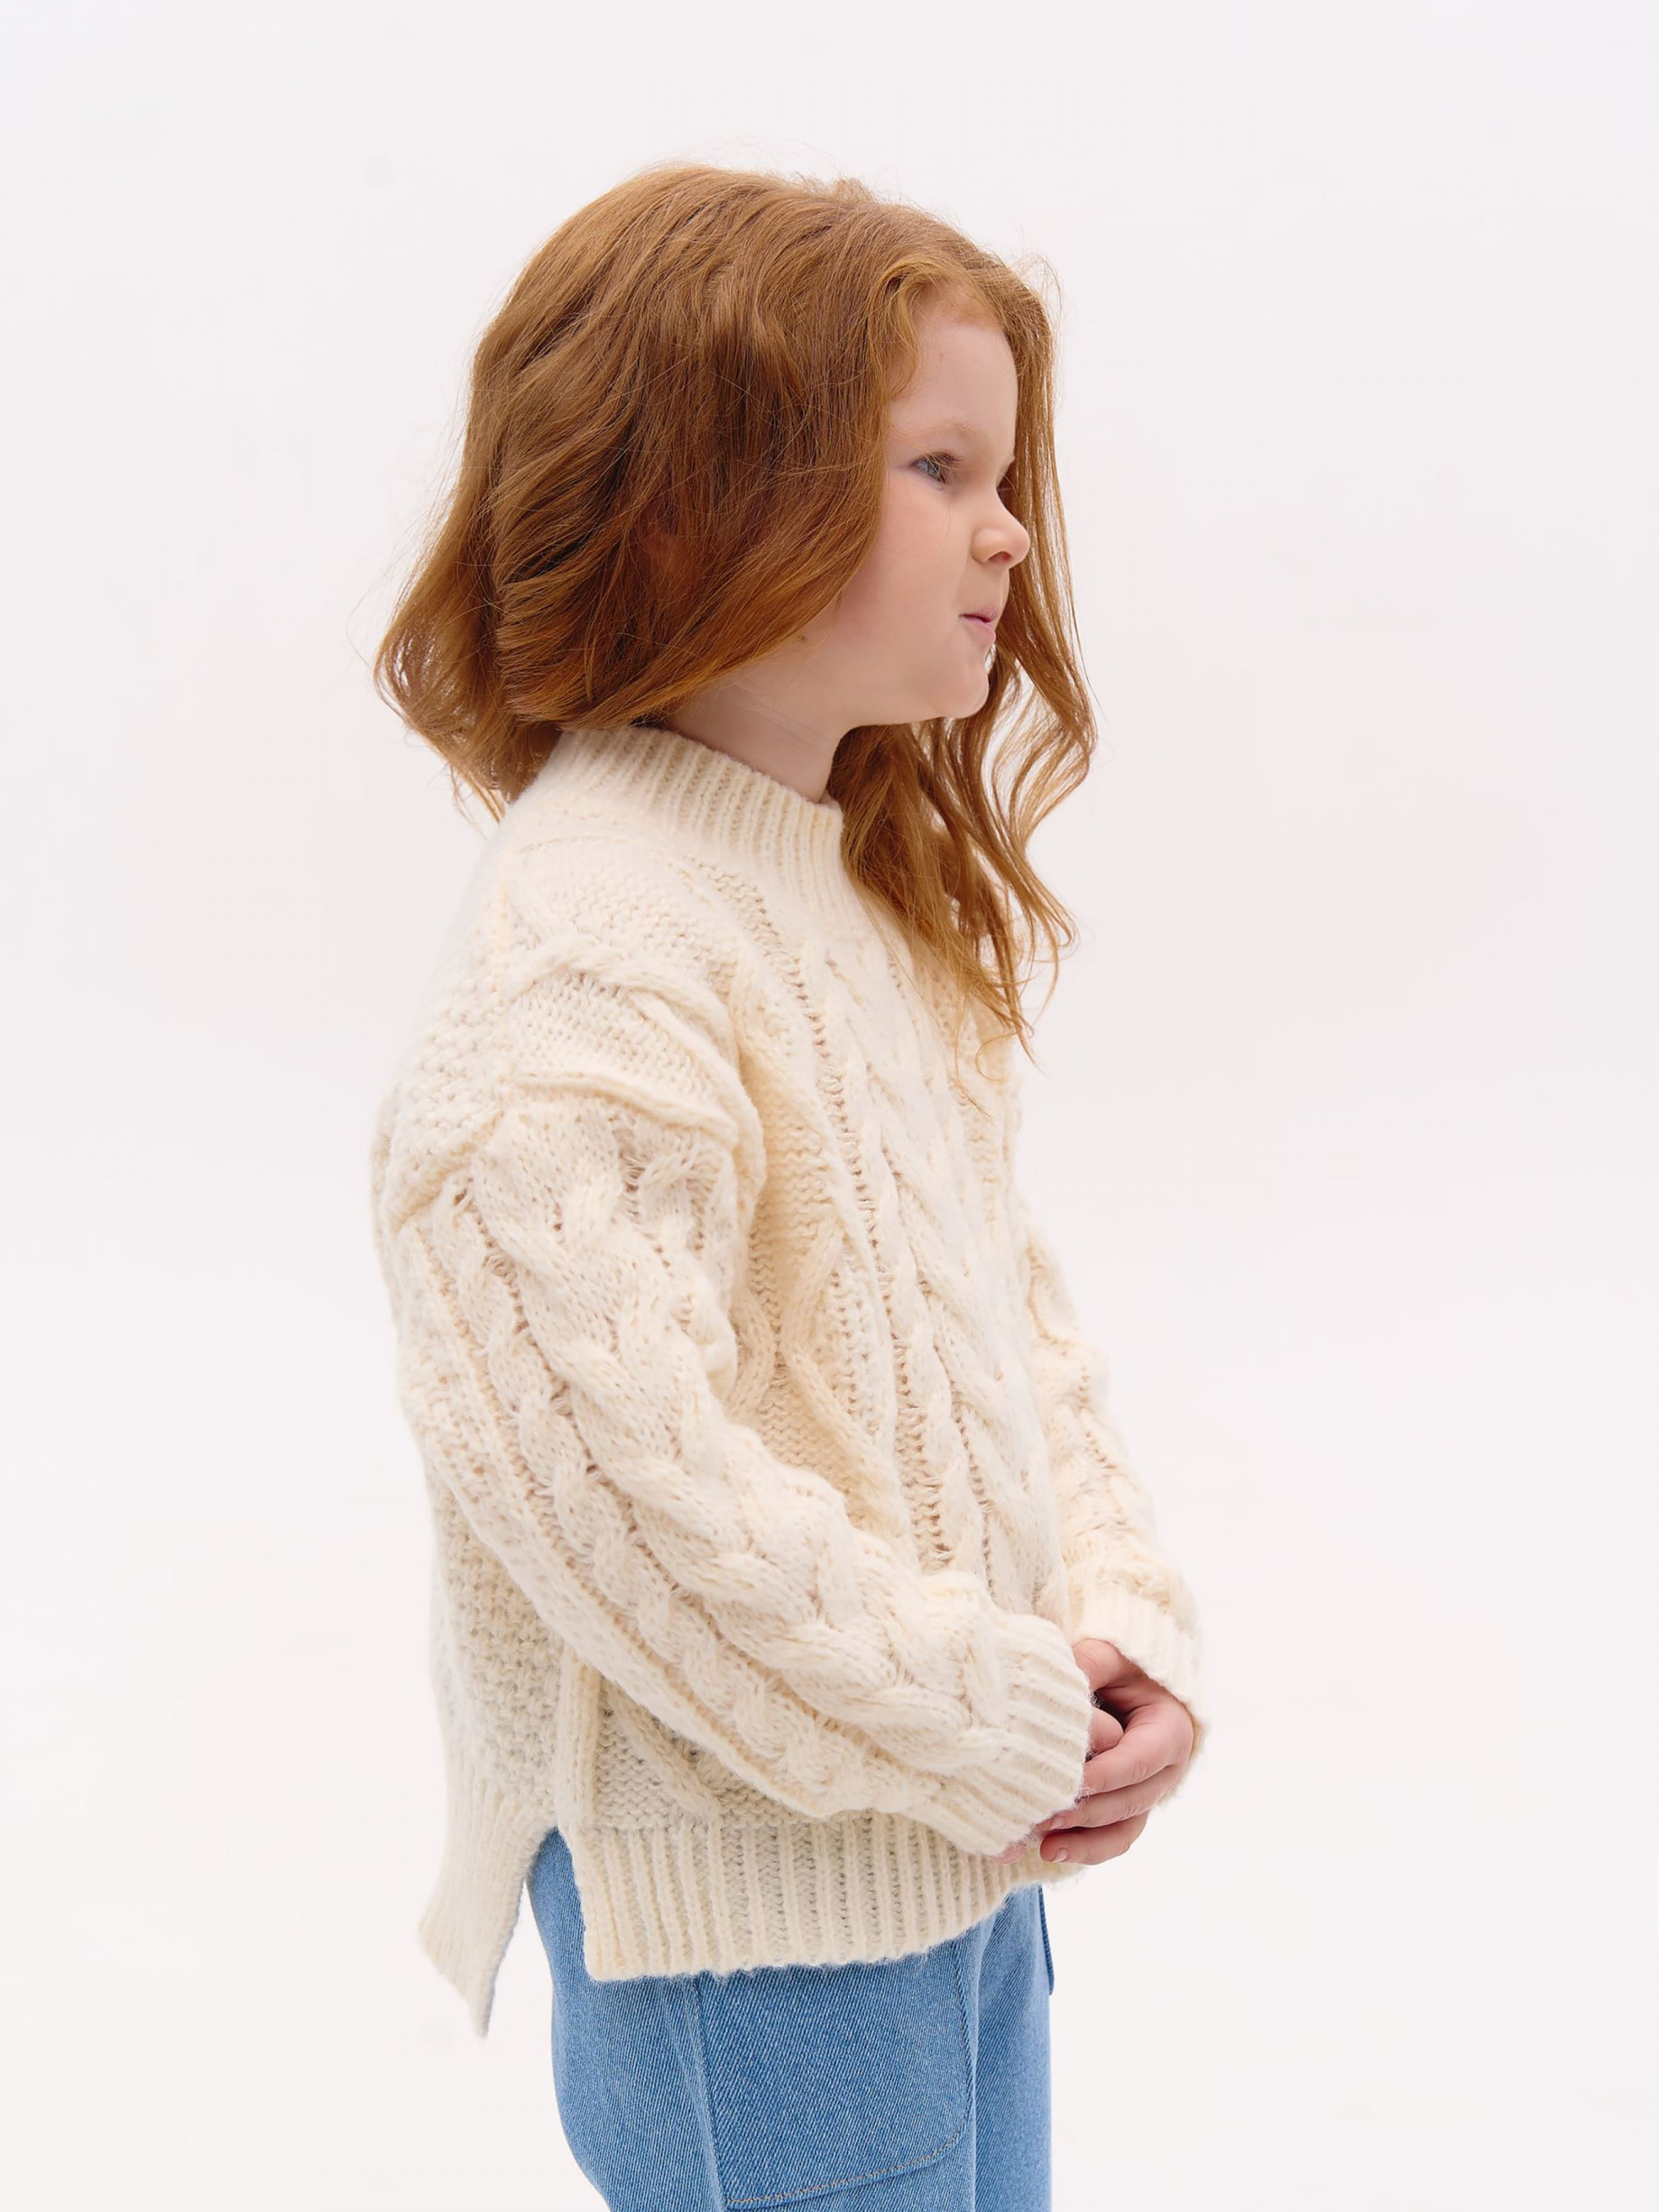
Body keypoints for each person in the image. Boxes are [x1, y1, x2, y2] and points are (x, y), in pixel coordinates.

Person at [368, 157, 1209, 2212]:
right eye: (937, 470)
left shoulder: (841, 895)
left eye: (1002, 475)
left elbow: (1004, 1318)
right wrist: (995, 1711)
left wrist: (1109, 1624)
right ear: (693, 504)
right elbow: (628, 1500)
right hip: (756, 1949)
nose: (1007, 531)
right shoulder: (590, 950)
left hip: (952, 1859)